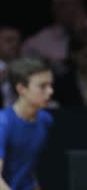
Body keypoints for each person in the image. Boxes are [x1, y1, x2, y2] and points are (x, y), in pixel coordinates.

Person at [0, 57, 54, 190]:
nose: (50, 91)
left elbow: (28, 167)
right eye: (42, 86)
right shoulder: (3, 123)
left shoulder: (45, 120)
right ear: (21, 88)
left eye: (50, 85)